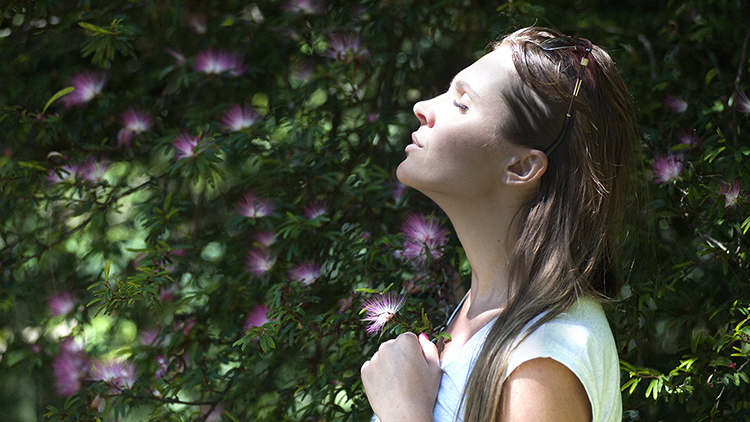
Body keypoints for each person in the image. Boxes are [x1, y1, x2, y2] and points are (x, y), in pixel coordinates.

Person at [360, 26, 636, 422]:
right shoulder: (479, 314)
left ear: (521, 166)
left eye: (461, 103)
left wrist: (403, 413)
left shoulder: (543, 357)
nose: (423, 106)